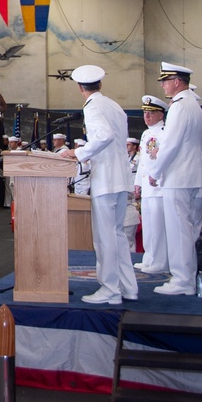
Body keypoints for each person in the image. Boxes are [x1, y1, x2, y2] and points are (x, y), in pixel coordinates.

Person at [59, 65, 137, 305]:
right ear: (100, 84)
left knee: (105, 237)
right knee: (118, 235)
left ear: (80, 88)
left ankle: (110, 290)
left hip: (106, 179)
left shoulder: (93, 107)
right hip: (121, 178)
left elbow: (103, 136)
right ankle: (128, 288)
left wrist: (77, 152)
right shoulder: (114, 105)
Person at [146, 62, 202, 296]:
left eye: (165, 80)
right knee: (188, 229)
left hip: (179, 177)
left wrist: (155, 172)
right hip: (193, 175)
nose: (163, 85)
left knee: (179, 230)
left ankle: (183, 280)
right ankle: (186, 277)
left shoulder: (180, 107)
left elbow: (171, 144)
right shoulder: (193, 104)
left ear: (176, 81)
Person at [133, 95, 169, 274]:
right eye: (145, 113)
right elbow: (143, 162)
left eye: (151, 113)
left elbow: (164, 159)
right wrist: (138, 183)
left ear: (160, 115)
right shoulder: (146, 133)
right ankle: (149, 257)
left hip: (159, 187)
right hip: (147, 187)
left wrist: (155, 178)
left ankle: (160, 261)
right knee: (148, 224)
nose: (146, 116)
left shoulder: (165, 132)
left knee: (158, 226)